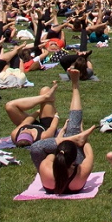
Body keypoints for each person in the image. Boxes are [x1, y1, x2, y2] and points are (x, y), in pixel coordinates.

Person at [28, 66, 96, 194]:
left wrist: (60, 139)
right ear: (75, 159)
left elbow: (46, 153)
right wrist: (82, 137)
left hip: (51, 176)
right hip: (71, 170)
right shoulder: (81, 172)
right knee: (74, 129)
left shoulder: (46, 168)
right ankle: (75, 85)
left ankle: (70, 137)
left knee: (36, 148)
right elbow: (89, 154)